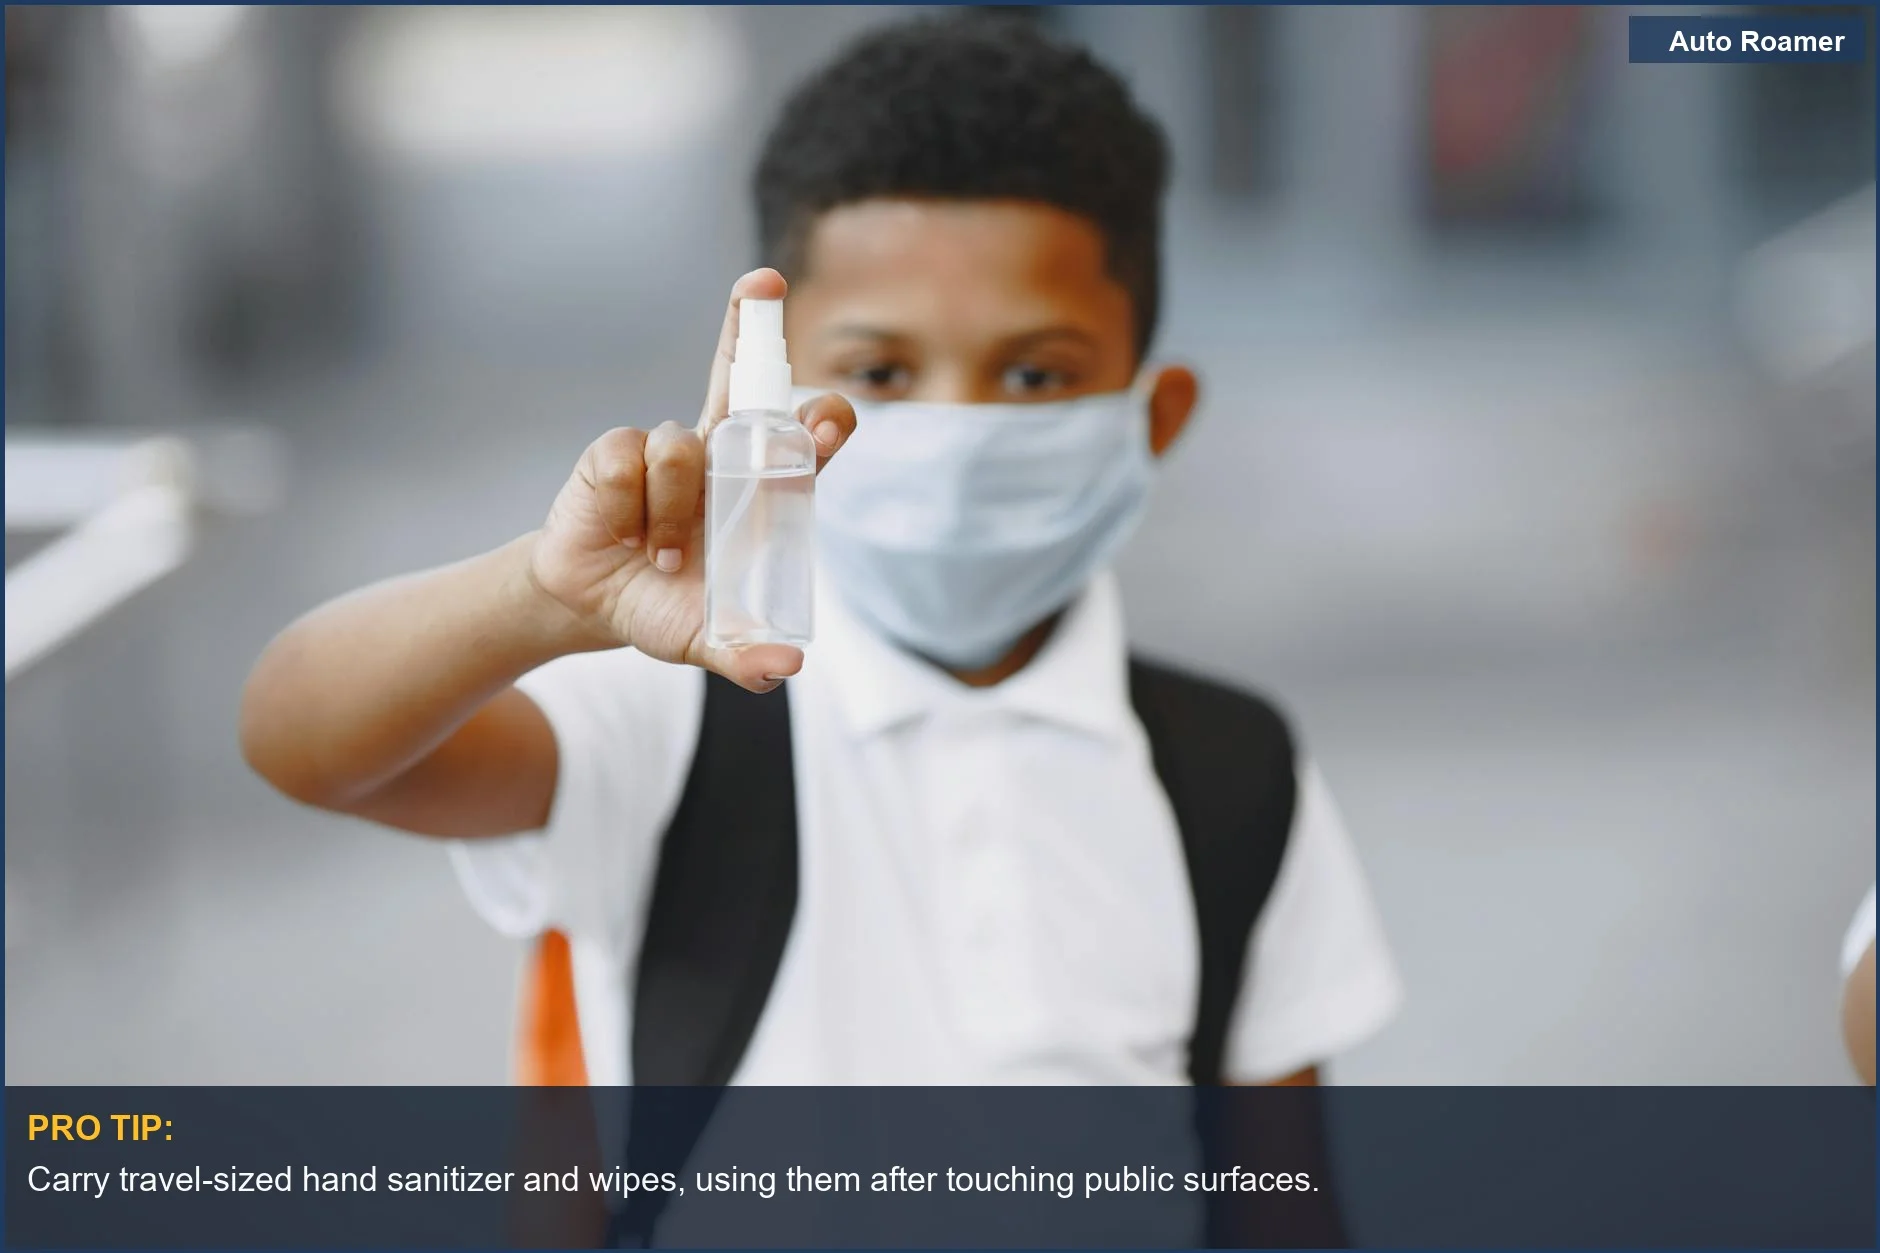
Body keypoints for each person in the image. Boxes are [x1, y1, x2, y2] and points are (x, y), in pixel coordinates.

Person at [243, 13, 1401, 1243]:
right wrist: (540, 598)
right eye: (882, 372)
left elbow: (1282, 1203)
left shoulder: (1229, 772)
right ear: (783, 403)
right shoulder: (668, 718)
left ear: (1151, 416)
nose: (956, 434)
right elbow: (299, 734)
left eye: (1034, 374)